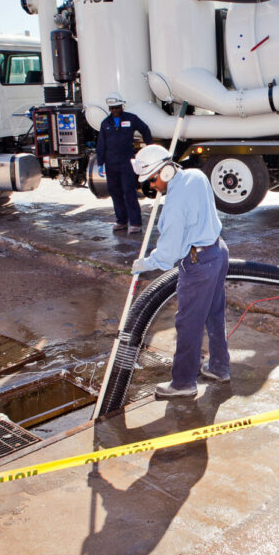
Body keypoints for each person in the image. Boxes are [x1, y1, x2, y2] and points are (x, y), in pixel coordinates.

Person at [130, 144, 230, 399]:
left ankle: (184, 383)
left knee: (188, 324)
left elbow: (168, 255)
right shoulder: (196, 175)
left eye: (151, 180)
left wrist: (145, 263)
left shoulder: (174, 205)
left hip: (198, 264)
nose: (152, 187)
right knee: (213, 315)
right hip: (218, 251)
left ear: (164, 173)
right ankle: (219, 367)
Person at [96, 93, 153, 233]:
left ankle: (136, 223)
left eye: (117, 107)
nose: (114, 110)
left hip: (126, 162)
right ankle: (121, 221)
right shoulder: (105, 124)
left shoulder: (131, 119)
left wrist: (150, 148)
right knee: (115, 192)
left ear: (122, 106)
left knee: (129, 192)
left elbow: (145, 129)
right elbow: (101, 144)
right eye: (112, 108)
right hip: (111, 164)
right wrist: (100, 162)